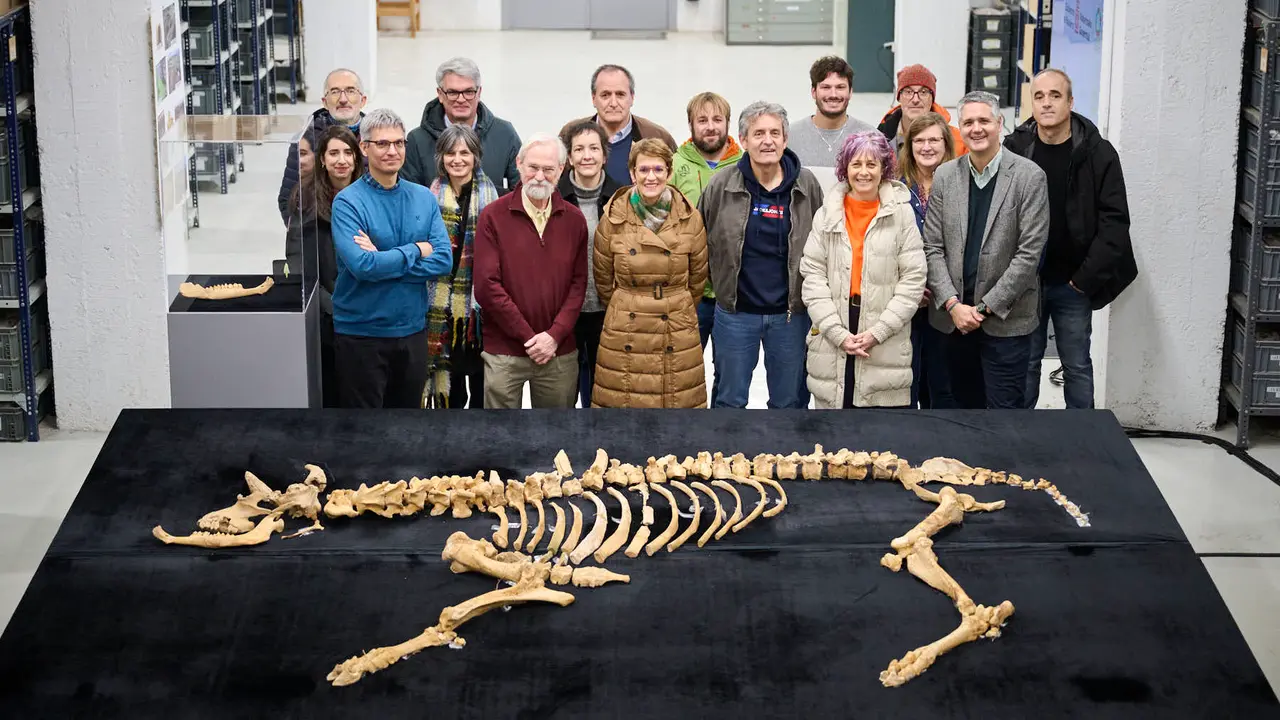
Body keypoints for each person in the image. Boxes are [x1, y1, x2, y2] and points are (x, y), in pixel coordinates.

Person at [1004, 68, 1136, 409]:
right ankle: (1021, 437)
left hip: (1073, 282)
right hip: (1025, 283)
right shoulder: (1015, 149)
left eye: (1055, 95)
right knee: (1026, 364)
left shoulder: (1098, 153)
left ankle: (1082, 440)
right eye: (1039, 96)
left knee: (1076, 365)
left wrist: (1084, 279)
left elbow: (1115, 222)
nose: (1046, 103)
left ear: (1071, 102)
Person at [923, 92, 1049, 410]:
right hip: (954, 323)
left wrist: (983, 310)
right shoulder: (946, 176)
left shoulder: (1029, 177)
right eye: (968, 122)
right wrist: (953, 305)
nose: (976, 128)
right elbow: (932, 247)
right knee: (964, 411)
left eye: (984, 121)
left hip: (1005, 324)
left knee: (1004, 417)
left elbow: (1028, 255)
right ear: (960, 129)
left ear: (999, 124)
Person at [698, 101, 824, 409]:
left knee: (789, 402)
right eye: (758, 134)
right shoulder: (722, 184)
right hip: (735, 314)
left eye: (774, 133)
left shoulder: (806, 185)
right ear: (743, 140)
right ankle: (726, 456)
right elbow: (699, 239)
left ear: (785, 139)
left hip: (790, 316)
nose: (767, 141)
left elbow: (823, 244)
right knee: (730, 399)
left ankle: (787, 457)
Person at [329, 109, 453, 409]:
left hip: (411, 331)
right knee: (365, 431)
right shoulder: (347, 202)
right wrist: (414, 250)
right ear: (364, 147)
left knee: (407, 428)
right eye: (382, 144)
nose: (392, 151)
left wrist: (384, 259)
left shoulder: (423, 197)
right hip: (362, 335)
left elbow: (443, 261)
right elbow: (363, 266)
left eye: (399, 143)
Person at [800, 131, 925, 409]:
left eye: (872, 164)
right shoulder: (826, 214)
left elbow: (913, 281)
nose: (864, 172)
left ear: (884, 168)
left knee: (883, 443)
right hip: (835, 328)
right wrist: (836, 332)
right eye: (856, 164)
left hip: (885, 334)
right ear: (845, 168)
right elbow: (812, 276)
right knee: (832, 440)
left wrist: (878, 332)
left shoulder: (902, 214)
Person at [474, 133, 588, 409]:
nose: (539, 176)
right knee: (500, 439)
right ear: (519, 164)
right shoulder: (493, 216)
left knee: (556, 440)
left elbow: (578, 284)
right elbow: (487, 286)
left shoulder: (574, 219)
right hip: (505, 351)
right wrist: (529, 337)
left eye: (548, 169)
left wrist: (553, 336)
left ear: (561, 170)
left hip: (558, 351)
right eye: (533, 167)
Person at [592, 138, 709, 408]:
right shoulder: (612, 217)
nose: (651, 177)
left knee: (677, 406)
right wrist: (630, 302)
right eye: (643, 170)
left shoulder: (691, 218)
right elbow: (603, 278)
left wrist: (673, 303)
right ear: (632, 173)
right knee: (624, 404)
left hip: (676, 324)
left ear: (669, 173)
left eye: (658, 169)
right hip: (626, 325)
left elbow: (698, 279)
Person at [422, 124, 500, 409]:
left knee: (481, 389)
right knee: (453, 395)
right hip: (442, 312)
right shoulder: (429, 198)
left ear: (475, 156)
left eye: (464, 152)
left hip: (478, 313)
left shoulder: (492, 198)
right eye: (450, 152)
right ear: (441, 156)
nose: (458, 159)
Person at [284, 125, 362, 408]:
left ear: (356, 158)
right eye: (333, 153)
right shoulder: (305, 200)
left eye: (347, 152)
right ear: (322, 159)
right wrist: (333, 306)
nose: (341, 160)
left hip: (367, 311)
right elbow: (298, 264)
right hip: (327, 315)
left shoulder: (371, 195)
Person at [671, 91, 743, 354]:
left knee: (730, 374)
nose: (711, 127)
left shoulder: (746, 165)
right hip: (690, 293)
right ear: (691, 125)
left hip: (733, 292)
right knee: (683, 368)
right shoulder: (675, 165)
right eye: (702, 120)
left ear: (728, 123)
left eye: (717, 119)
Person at [557, 121, 623, 407]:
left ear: (604, 155)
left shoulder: (621, 198)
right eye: (579, 149)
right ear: (569, 157)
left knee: (603, 393)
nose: (587, 156)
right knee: (563, 391)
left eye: (594, 148)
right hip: (563, 311)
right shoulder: (554, 196)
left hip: (607, 310)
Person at [899, 112, 958, 408]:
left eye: (934, 139)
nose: (926, 147)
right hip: (905, 300)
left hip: (947, 301)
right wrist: (910, 287)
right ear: (909, 146)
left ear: (946, 143)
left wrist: (941, 288)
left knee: (941, 383)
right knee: (907, 380)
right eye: (919, 140)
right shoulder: (895, 186)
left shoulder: (962, 185)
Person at [402, 57, 522, 194]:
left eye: (468, 92)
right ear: (440, 94)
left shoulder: (504, 134)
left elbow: (521, 192)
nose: (461, 99)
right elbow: (410, 198)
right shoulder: (417, 140)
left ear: (479, 93)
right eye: (452, 92)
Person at [560, 64, 677, 187]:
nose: (613, 103)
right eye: (605, 95)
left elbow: (674, 185)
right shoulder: (571, 133)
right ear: (593, 98)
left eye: (620, 94)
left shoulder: (656, 136)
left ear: (632, 98)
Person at [278, 68, 367, 223]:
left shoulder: (377, 139)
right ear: (324, 102)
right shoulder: (305, 141)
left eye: (350, 91)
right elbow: (289, 199)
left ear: (363, 100)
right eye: (335, 92)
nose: (343, 99)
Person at [787, 56, 874, 167]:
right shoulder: (789, 137)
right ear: (813, 92)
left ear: (850, 92)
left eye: (840, 87)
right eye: (826, 87)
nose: (833, 94)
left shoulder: (871, 137)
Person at [876, 64, 967, 156]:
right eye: (908, 92)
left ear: (932, 99)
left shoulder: (958, 141)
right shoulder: (878, 139)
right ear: (899, 97)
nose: (915, 100)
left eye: (923, 92)